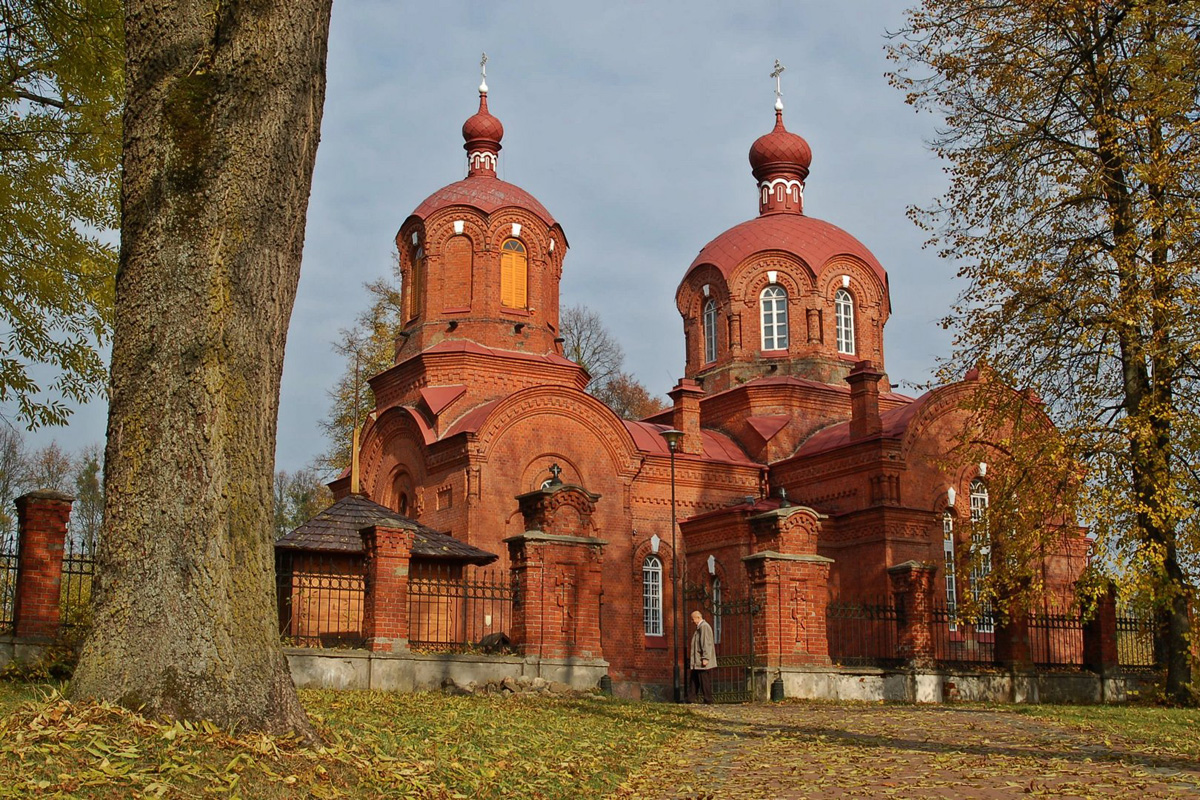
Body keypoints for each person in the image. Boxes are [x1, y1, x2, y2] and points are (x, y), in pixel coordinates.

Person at [687, 609, 716, 704]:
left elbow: (706, 643)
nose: (692, 621)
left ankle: (708, 699)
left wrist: (705, 657)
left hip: (701, 659)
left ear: (698, 618)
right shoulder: (700, 627)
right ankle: (690, 698)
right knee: (694, 679)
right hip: (697, 660)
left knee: (704, 680)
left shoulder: (704, 627)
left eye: (693, 619)